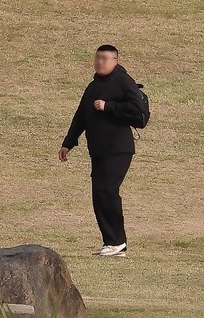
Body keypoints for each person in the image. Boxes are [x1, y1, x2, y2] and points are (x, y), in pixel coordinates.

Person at [59, 44, 144, 257]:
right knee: (99, 194)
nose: (100, 62)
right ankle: (111, 243)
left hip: (119, 148)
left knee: (107, 190)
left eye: (105, 58)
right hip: (98, 150)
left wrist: (109, 106)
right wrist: (68, 142)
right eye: (98, 58)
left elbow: (138, 109)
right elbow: (80, 116)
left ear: (115, 60)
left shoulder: (123, 80)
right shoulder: (93, 86)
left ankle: (117, 242)